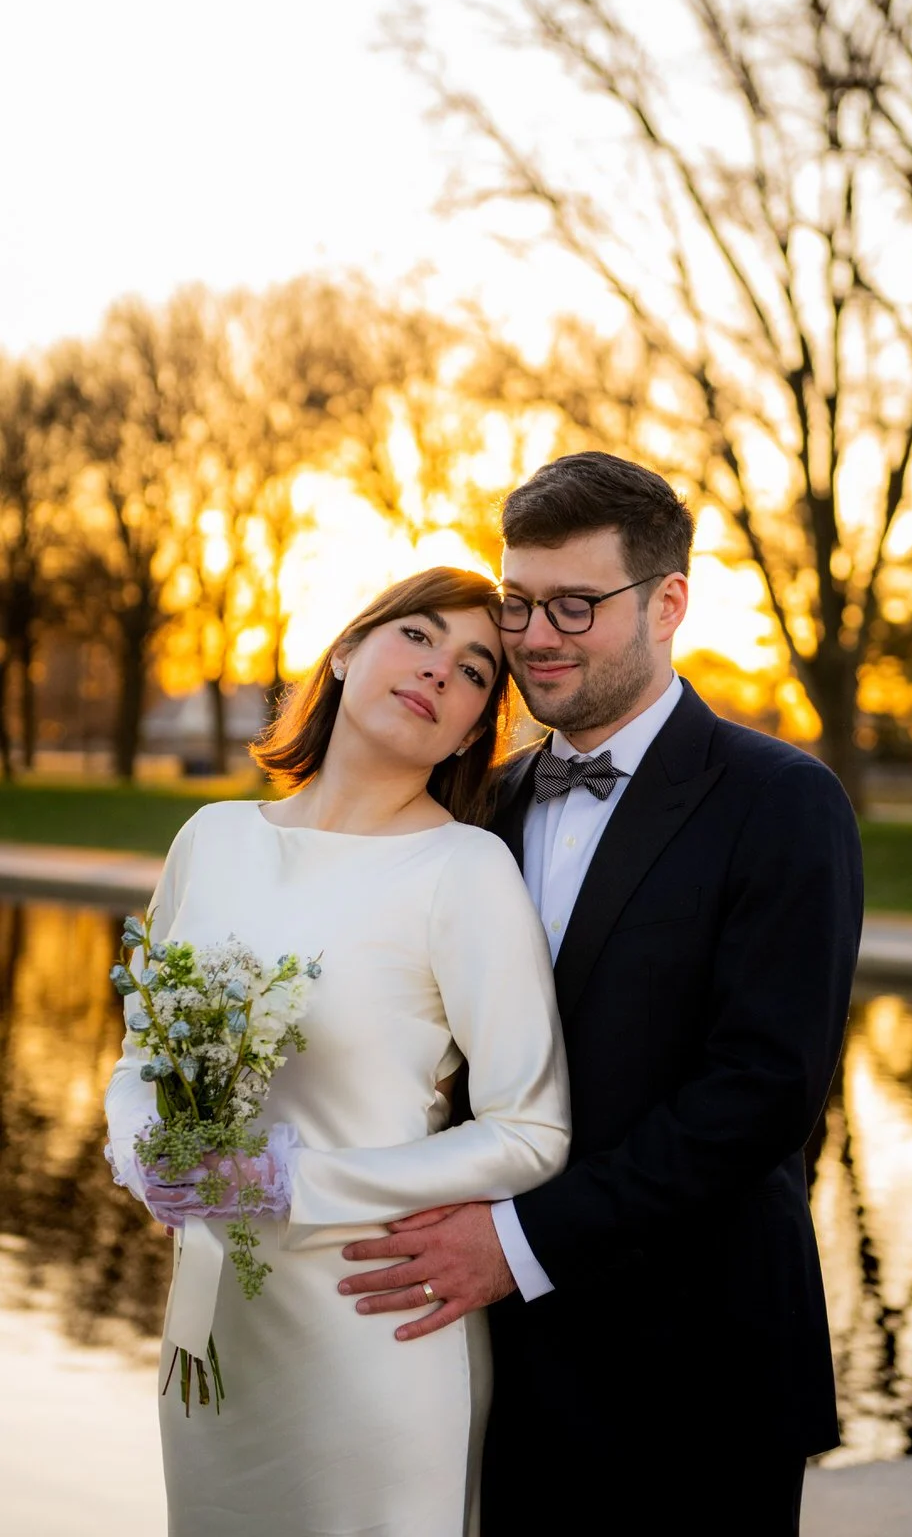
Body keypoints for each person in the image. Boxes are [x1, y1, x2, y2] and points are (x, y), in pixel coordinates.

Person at [337, 454, 865, 1536]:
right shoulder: (478, 806)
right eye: (519, 602)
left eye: (575, 604)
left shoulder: (781, 802)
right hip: (502, 1362)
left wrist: (517, 1242)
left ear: (667, 603)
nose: (536, 635)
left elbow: (760, 1093)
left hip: (696, 1367)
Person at [104, 566, 571, 1537]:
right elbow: (140, 1058)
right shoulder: (211, 838)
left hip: (372, 1327)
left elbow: (531, 1134)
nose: (439, 670)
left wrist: (290, 1180)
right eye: (418, 635)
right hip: (211, 1332)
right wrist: (148, 1158)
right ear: (348, 650)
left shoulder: (464, 869)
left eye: (474, 670)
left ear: (471, 731)